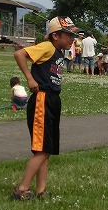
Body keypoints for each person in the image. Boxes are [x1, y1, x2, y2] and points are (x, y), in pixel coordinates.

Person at [11, 16, 78, 200]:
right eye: (69, 35)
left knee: (45, 149)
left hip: (52, 100)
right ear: (56, 35)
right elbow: (20, 54)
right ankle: (22, 189)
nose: (72, 39)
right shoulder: (47, 47)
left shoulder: (58, 51)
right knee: (42, 150)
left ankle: (41, 191)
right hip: (42, 99)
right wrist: (30, 78)